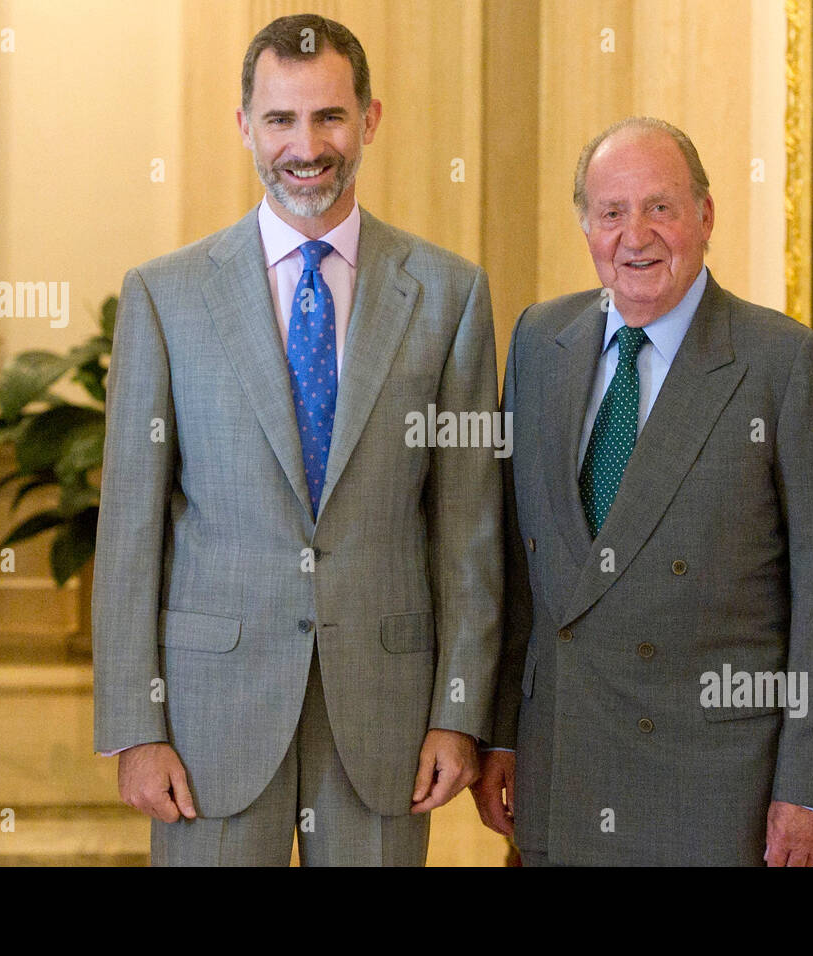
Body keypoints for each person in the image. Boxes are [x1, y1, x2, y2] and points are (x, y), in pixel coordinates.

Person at [92, 13, 502, 867]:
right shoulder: (165, 298)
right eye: (280, 119)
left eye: (329, 118)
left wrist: (458, 711)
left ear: (370, 120)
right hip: (208, 724)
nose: (305, 145)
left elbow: (468, 530)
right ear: (245, 126)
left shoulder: (450, 294)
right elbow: (129, 531)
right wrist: (135, 726)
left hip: (387, 718)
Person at [471, 117, 813, 866]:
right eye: (611, 213)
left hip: (715, 793)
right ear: (586, 226)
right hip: (559, 769)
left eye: (661, 208)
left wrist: (810, 788)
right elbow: (519, 570)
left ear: (706, 216)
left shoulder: (784, 366)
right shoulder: (536, 342)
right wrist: (499, 731)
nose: (636, 236)